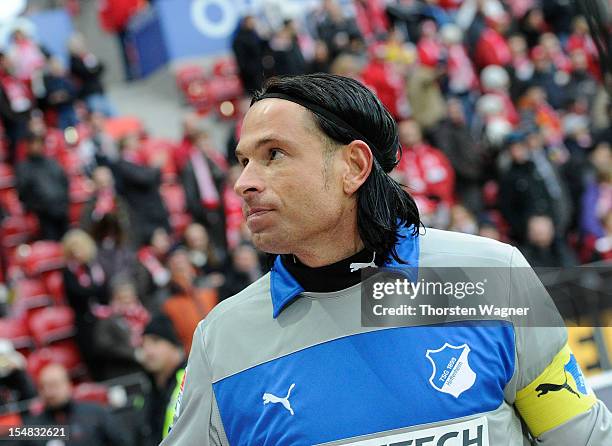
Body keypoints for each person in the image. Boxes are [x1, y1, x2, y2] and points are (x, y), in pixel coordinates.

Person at [161, 74, 612, 445]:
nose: (244, 182)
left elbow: (580, 437)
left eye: (273, 154)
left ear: (354, 167)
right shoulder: (221, 340)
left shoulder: (487, 278)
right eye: (242, 161)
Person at [21, 363, 130, 446]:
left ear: (68, 385)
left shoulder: (95, 413)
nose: (48, 392)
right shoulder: (32, 428)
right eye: (42, 387)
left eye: (54, 385)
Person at [139, 314, 186, 446]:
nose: (147, 351)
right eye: (143, 344)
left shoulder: (190, 380)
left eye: (155, 341)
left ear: (175, 346)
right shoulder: (148, 388)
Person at [16, 132, 69, 241]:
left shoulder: (52, 163)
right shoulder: (23, 167)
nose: (36, 146)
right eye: (33, 143)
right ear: (28, 146)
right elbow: (23, 194)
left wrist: (63, 203)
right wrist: (41, 207)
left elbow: (64, 182)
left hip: (61, 210)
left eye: (39, 143)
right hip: (41, 216)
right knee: (51, 244)